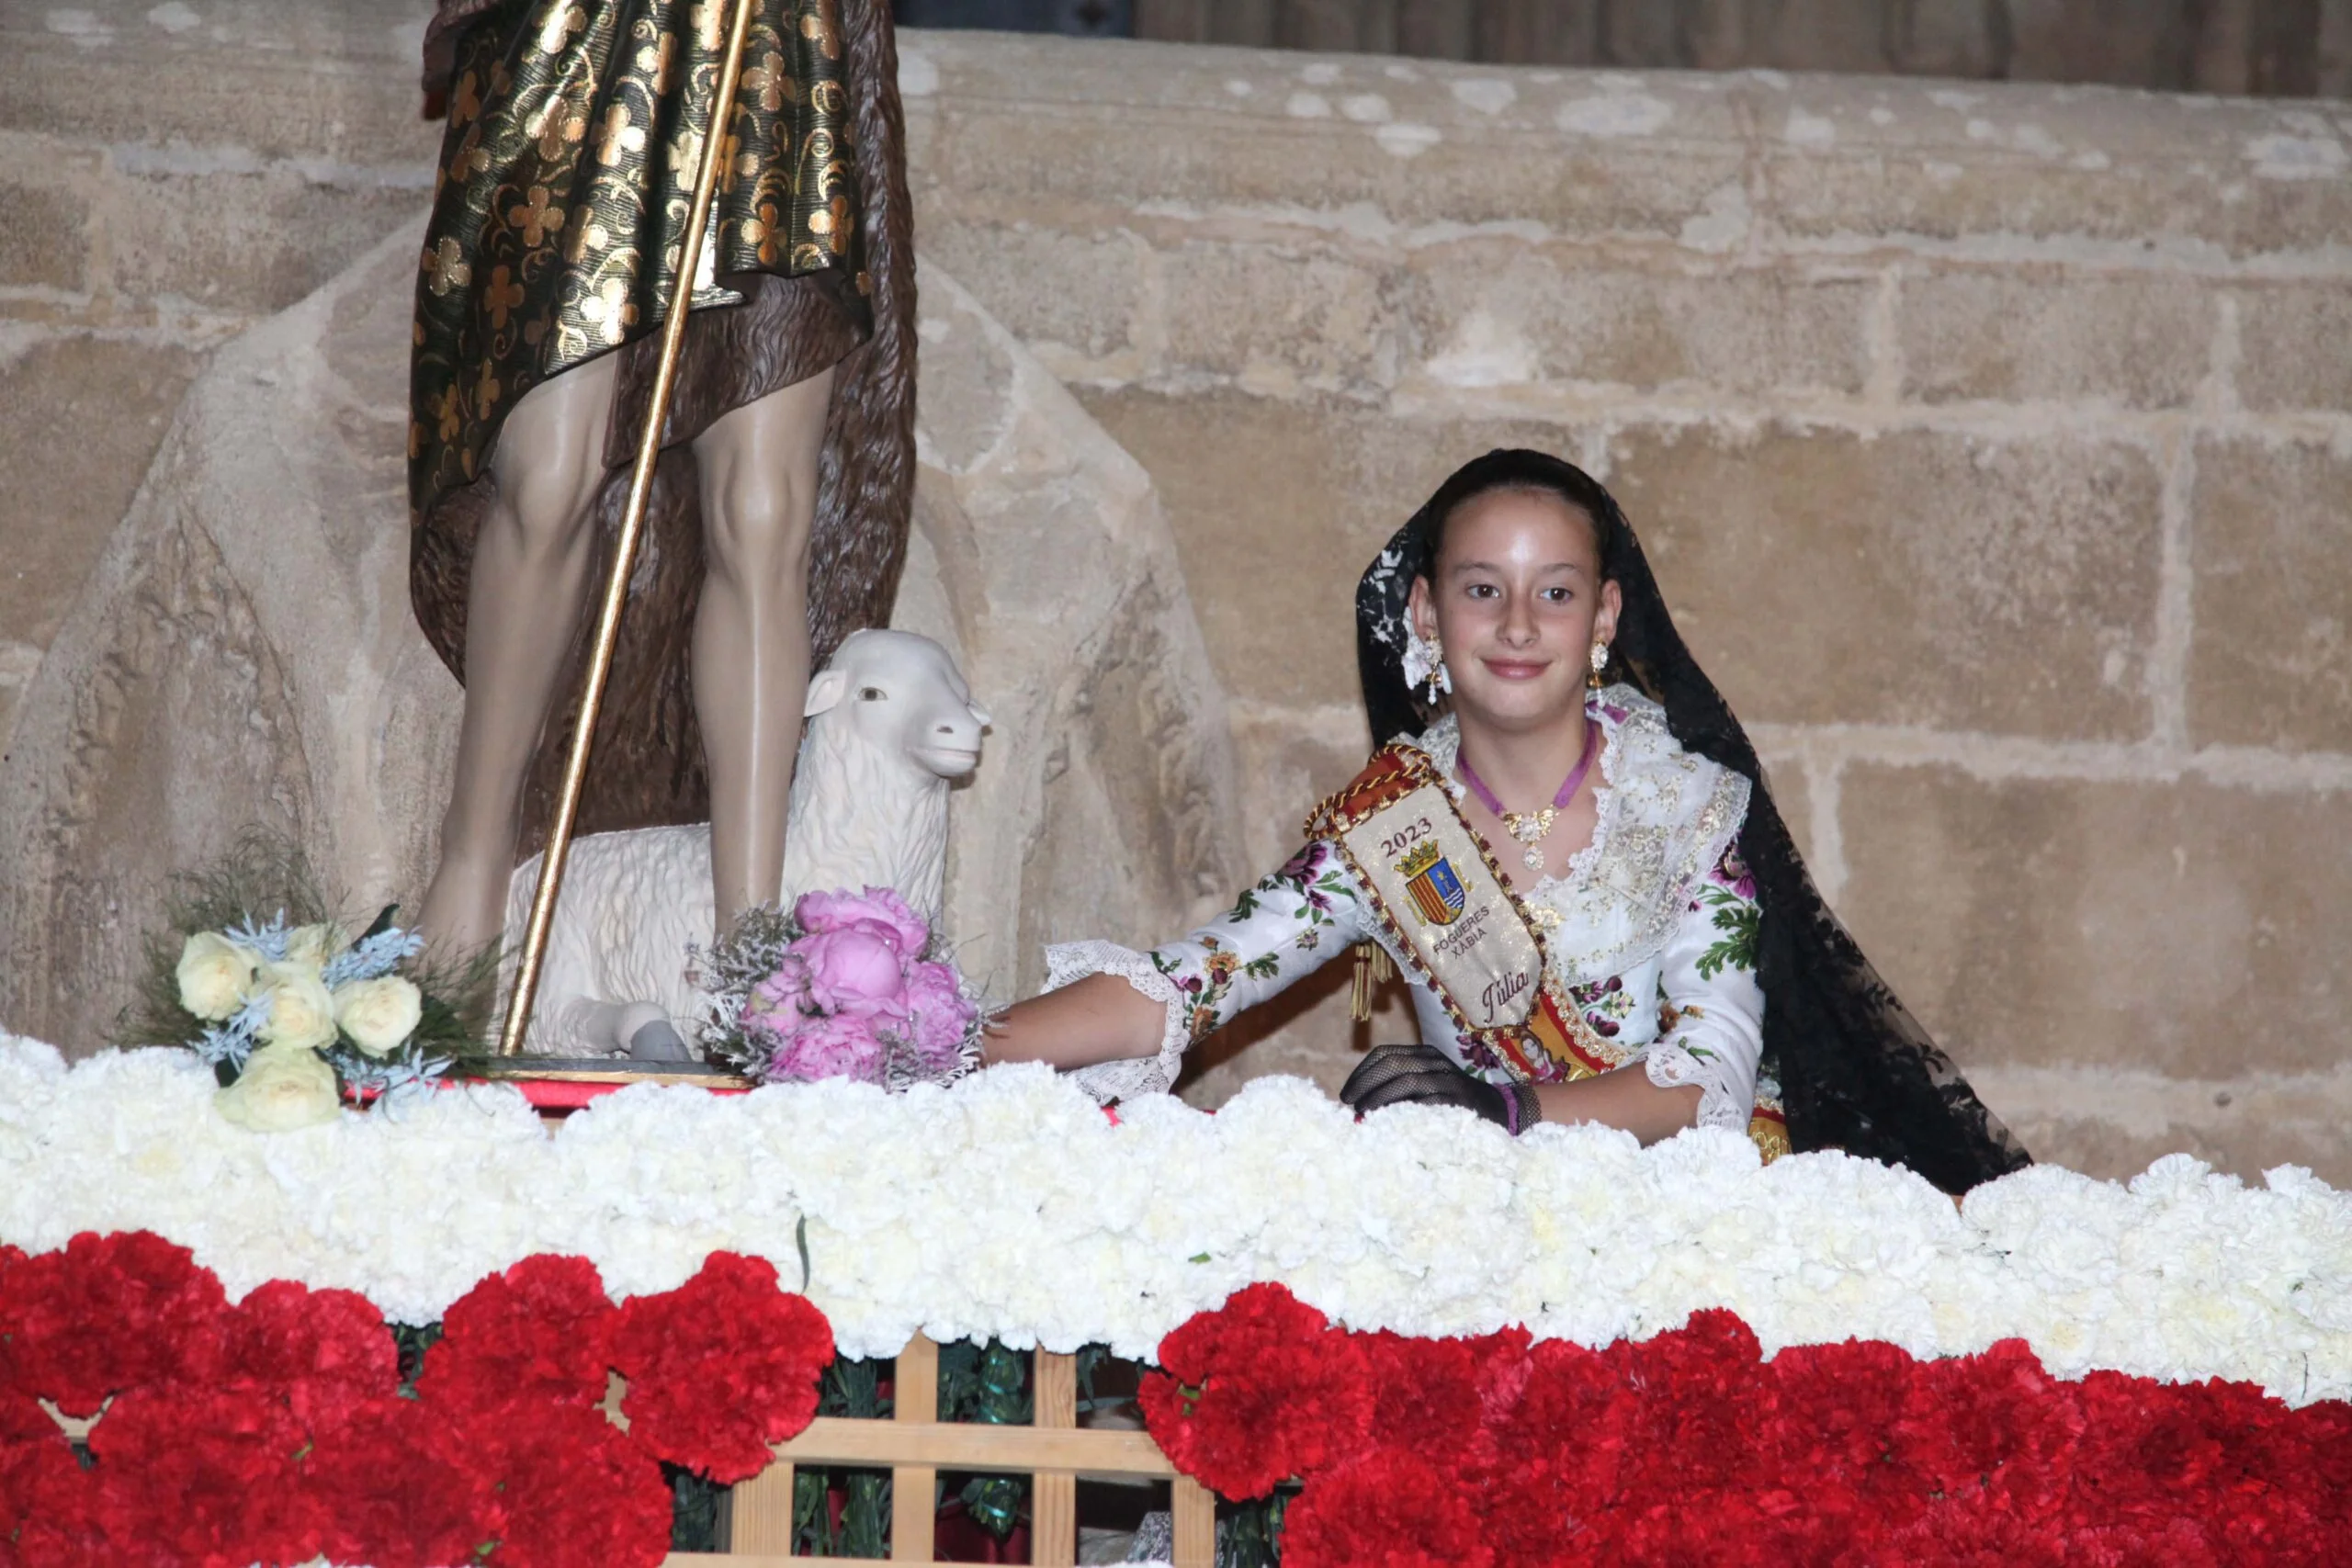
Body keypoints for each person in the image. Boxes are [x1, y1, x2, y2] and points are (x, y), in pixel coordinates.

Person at [985, 449, 2030, 1195]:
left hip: (1699, 1219)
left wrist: (1508, 1114)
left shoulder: (1686, 802)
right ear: (1428, 617)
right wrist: (945, 1048)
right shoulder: (1388, 831)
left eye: (1556, 593)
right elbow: (1195, 979)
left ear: (1605, 620)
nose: (1520, 626)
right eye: (1483, 590)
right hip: (1487, 1218)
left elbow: (1709, 1068)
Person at [407, 0, 916, 966]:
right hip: (581, 31)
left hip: (771, 42)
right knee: (548, 479)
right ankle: (471, 864)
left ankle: (751, 938)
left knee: (762, 511)